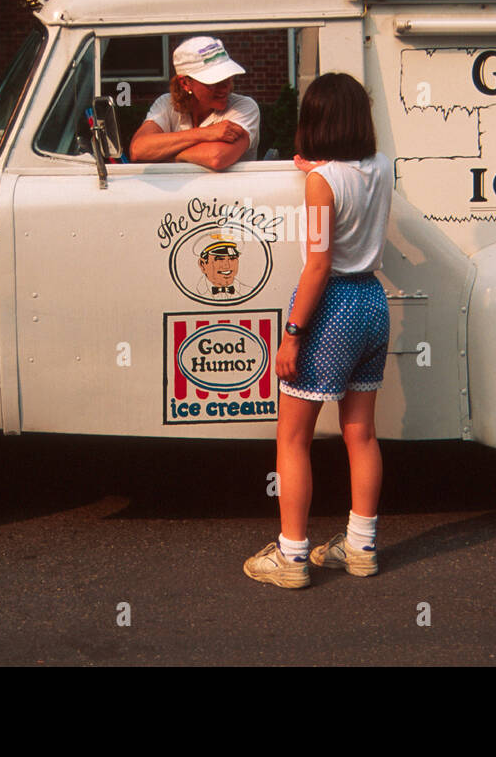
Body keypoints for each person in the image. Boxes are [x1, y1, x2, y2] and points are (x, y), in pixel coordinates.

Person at [243, 73, 391, 588]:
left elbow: (318, 263)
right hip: (373, 302)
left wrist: (292, 333)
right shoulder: (381, 168)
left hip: (331, 308)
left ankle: (292, 557)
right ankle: (362, 545)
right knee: (362, 433)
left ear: (316, 121)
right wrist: (316, 172)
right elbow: (348, 186)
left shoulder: (322, 182)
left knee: (293, 438)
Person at [128, 36, 259, 170]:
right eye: (214, 82)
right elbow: (138, 149)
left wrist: (165, 154)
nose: (226, 87)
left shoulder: (244, 107)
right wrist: (206, 133)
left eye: (228, 78)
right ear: (185, 83)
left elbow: (217, 157)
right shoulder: (166, 104)